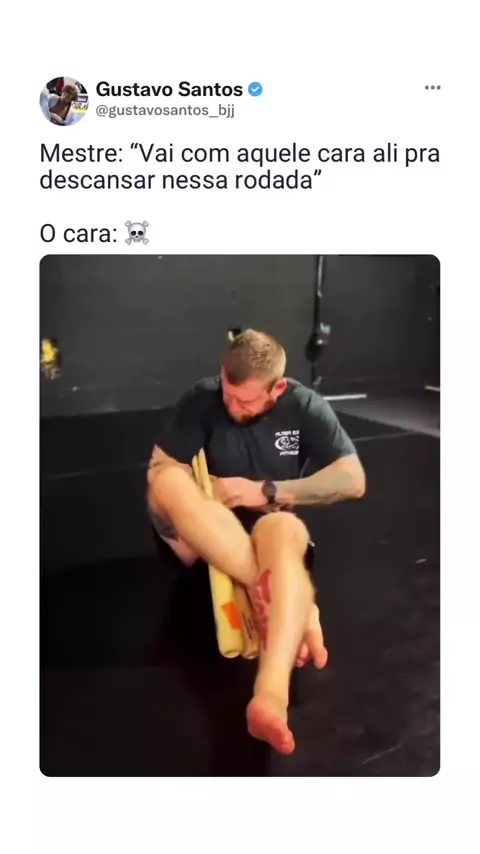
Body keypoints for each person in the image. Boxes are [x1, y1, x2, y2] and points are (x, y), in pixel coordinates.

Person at [147, 329, 366, 754]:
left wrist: (263, 490)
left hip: (267, 520)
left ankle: (271, 696)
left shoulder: (304, 405)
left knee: (285, 529)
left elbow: (352, 479)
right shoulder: (204, 398)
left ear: (277, 388)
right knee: (166, 482)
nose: (233, 406)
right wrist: (192, 491)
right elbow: (161, 469)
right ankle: (286, 599)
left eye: (245, 400)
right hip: (206, 528)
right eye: (228, 394)